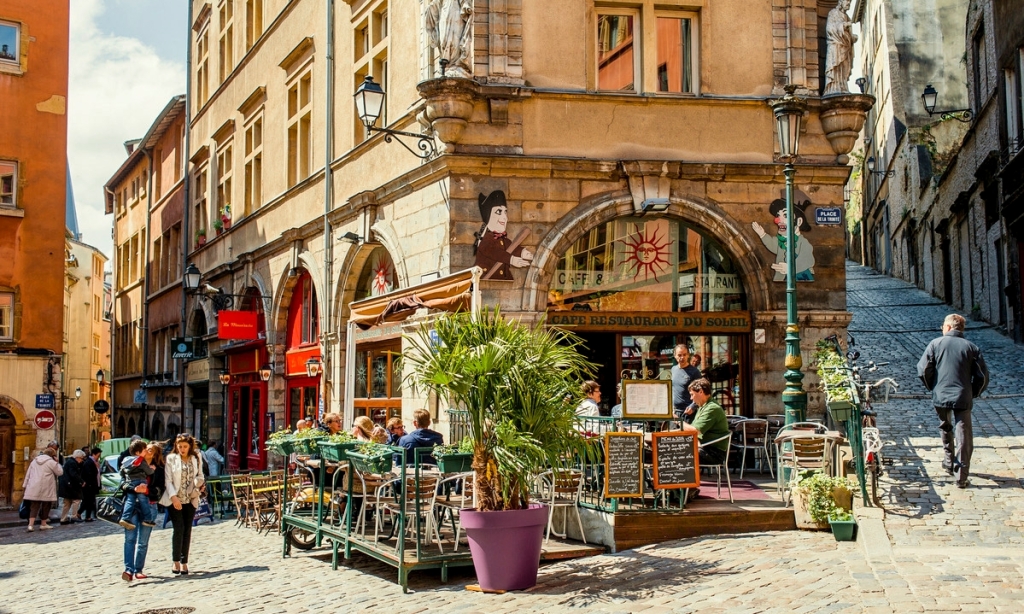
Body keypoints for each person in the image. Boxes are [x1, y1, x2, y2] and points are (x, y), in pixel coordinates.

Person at [917, 314, 989, 488]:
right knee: (963, 434)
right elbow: (983, 376)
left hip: (940, 395)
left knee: (945, 426)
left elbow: (923, 369)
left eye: (943, 326)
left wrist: (933, 387)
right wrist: (973, 392)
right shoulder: (971, 348)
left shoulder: (935, 344)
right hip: (963, 395)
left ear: (948, 327)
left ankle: (949, 461)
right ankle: (961, 476)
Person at [161, 433, 205, 575]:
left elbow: (201, 475)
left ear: (190, 446)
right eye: (180, 446)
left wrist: (199, 484)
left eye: (185, 446)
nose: (182, 449)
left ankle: (184, 561)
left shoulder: (196, 458)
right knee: (178, 529)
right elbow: (168, 480)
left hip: (190, 499)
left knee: (187, 530)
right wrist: (173, 497)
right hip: (176, 499)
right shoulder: (171, 459)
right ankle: (176, 562)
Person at [121, 443, 162, 582]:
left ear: (155, 453)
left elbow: (160, 489)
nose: (148, 451)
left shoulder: (158, 469)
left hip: (149, 506)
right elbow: (122, 483)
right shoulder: (129, 463)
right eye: (146, 449)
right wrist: (134, 490)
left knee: (143, 542)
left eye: (151, 450)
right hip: (132, 506)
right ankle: (128, 570)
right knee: (130, 539)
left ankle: (138, 569)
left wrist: (147, 491)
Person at [687, 378, 730, 502]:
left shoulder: (712, 408)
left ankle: (687, 490)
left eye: (692, 394)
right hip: (705, 447)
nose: (691, 399)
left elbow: (695, 430)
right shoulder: (702, 407)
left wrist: (677, 422)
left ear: (700, 391)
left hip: (713, 452)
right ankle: (683, 489)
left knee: (682, 454)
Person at [119, 439, 156, 530]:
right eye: (144, 450)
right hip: (141, 482)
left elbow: (121, 473)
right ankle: (148, 519)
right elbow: (149, 472)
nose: (146, 451)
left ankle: (125, 518)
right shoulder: (141, 461)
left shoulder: (126, 460)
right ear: (138, 452)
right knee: (143, 500)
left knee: (130, 500)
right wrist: (152, 469)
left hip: (130, 483)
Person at [22, 448, 63, 532]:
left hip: (34, 485)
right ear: (53, 455)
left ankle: (30, 525)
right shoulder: (51, 462)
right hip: (46, 486)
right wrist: (57, 462)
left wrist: (25, 485)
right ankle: (43, 524)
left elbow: (28, 474)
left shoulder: (34, 461)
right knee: (46, 505)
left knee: (34, 506)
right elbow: (60, 472)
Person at [671, 344, 702, 422]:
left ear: (688, 355)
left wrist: (693, 406)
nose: (682, 357)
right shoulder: (673, 369)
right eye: (679, 355)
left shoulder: (694, 372)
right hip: (675, 412)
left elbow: (701, 391)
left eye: (684, 355)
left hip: (689, 412)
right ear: (675, 356)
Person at [58, 449, 87, 525]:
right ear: (78, 457)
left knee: (67, 502)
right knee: (76, 500)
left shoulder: (70, 462)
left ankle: (63, 518)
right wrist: (81, 481)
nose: (81, 460)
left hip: (66, 485)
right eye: (81, 458)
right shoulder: (72, 463)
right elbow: (73, 474)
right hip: (71, 485)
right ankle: (74, 516)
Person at [79, 447, 102, 522]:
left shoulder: (94, 462)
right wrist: (90, 484)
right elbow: (89, 475)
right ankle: (85, 515)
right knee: (88, 501)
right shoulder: (89, 462)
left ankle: (84, 514)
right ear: (93, 454)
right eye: (98, 455)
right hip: (89, 486)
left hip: (92, 485)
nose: (98, 457)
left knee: (89, 501)